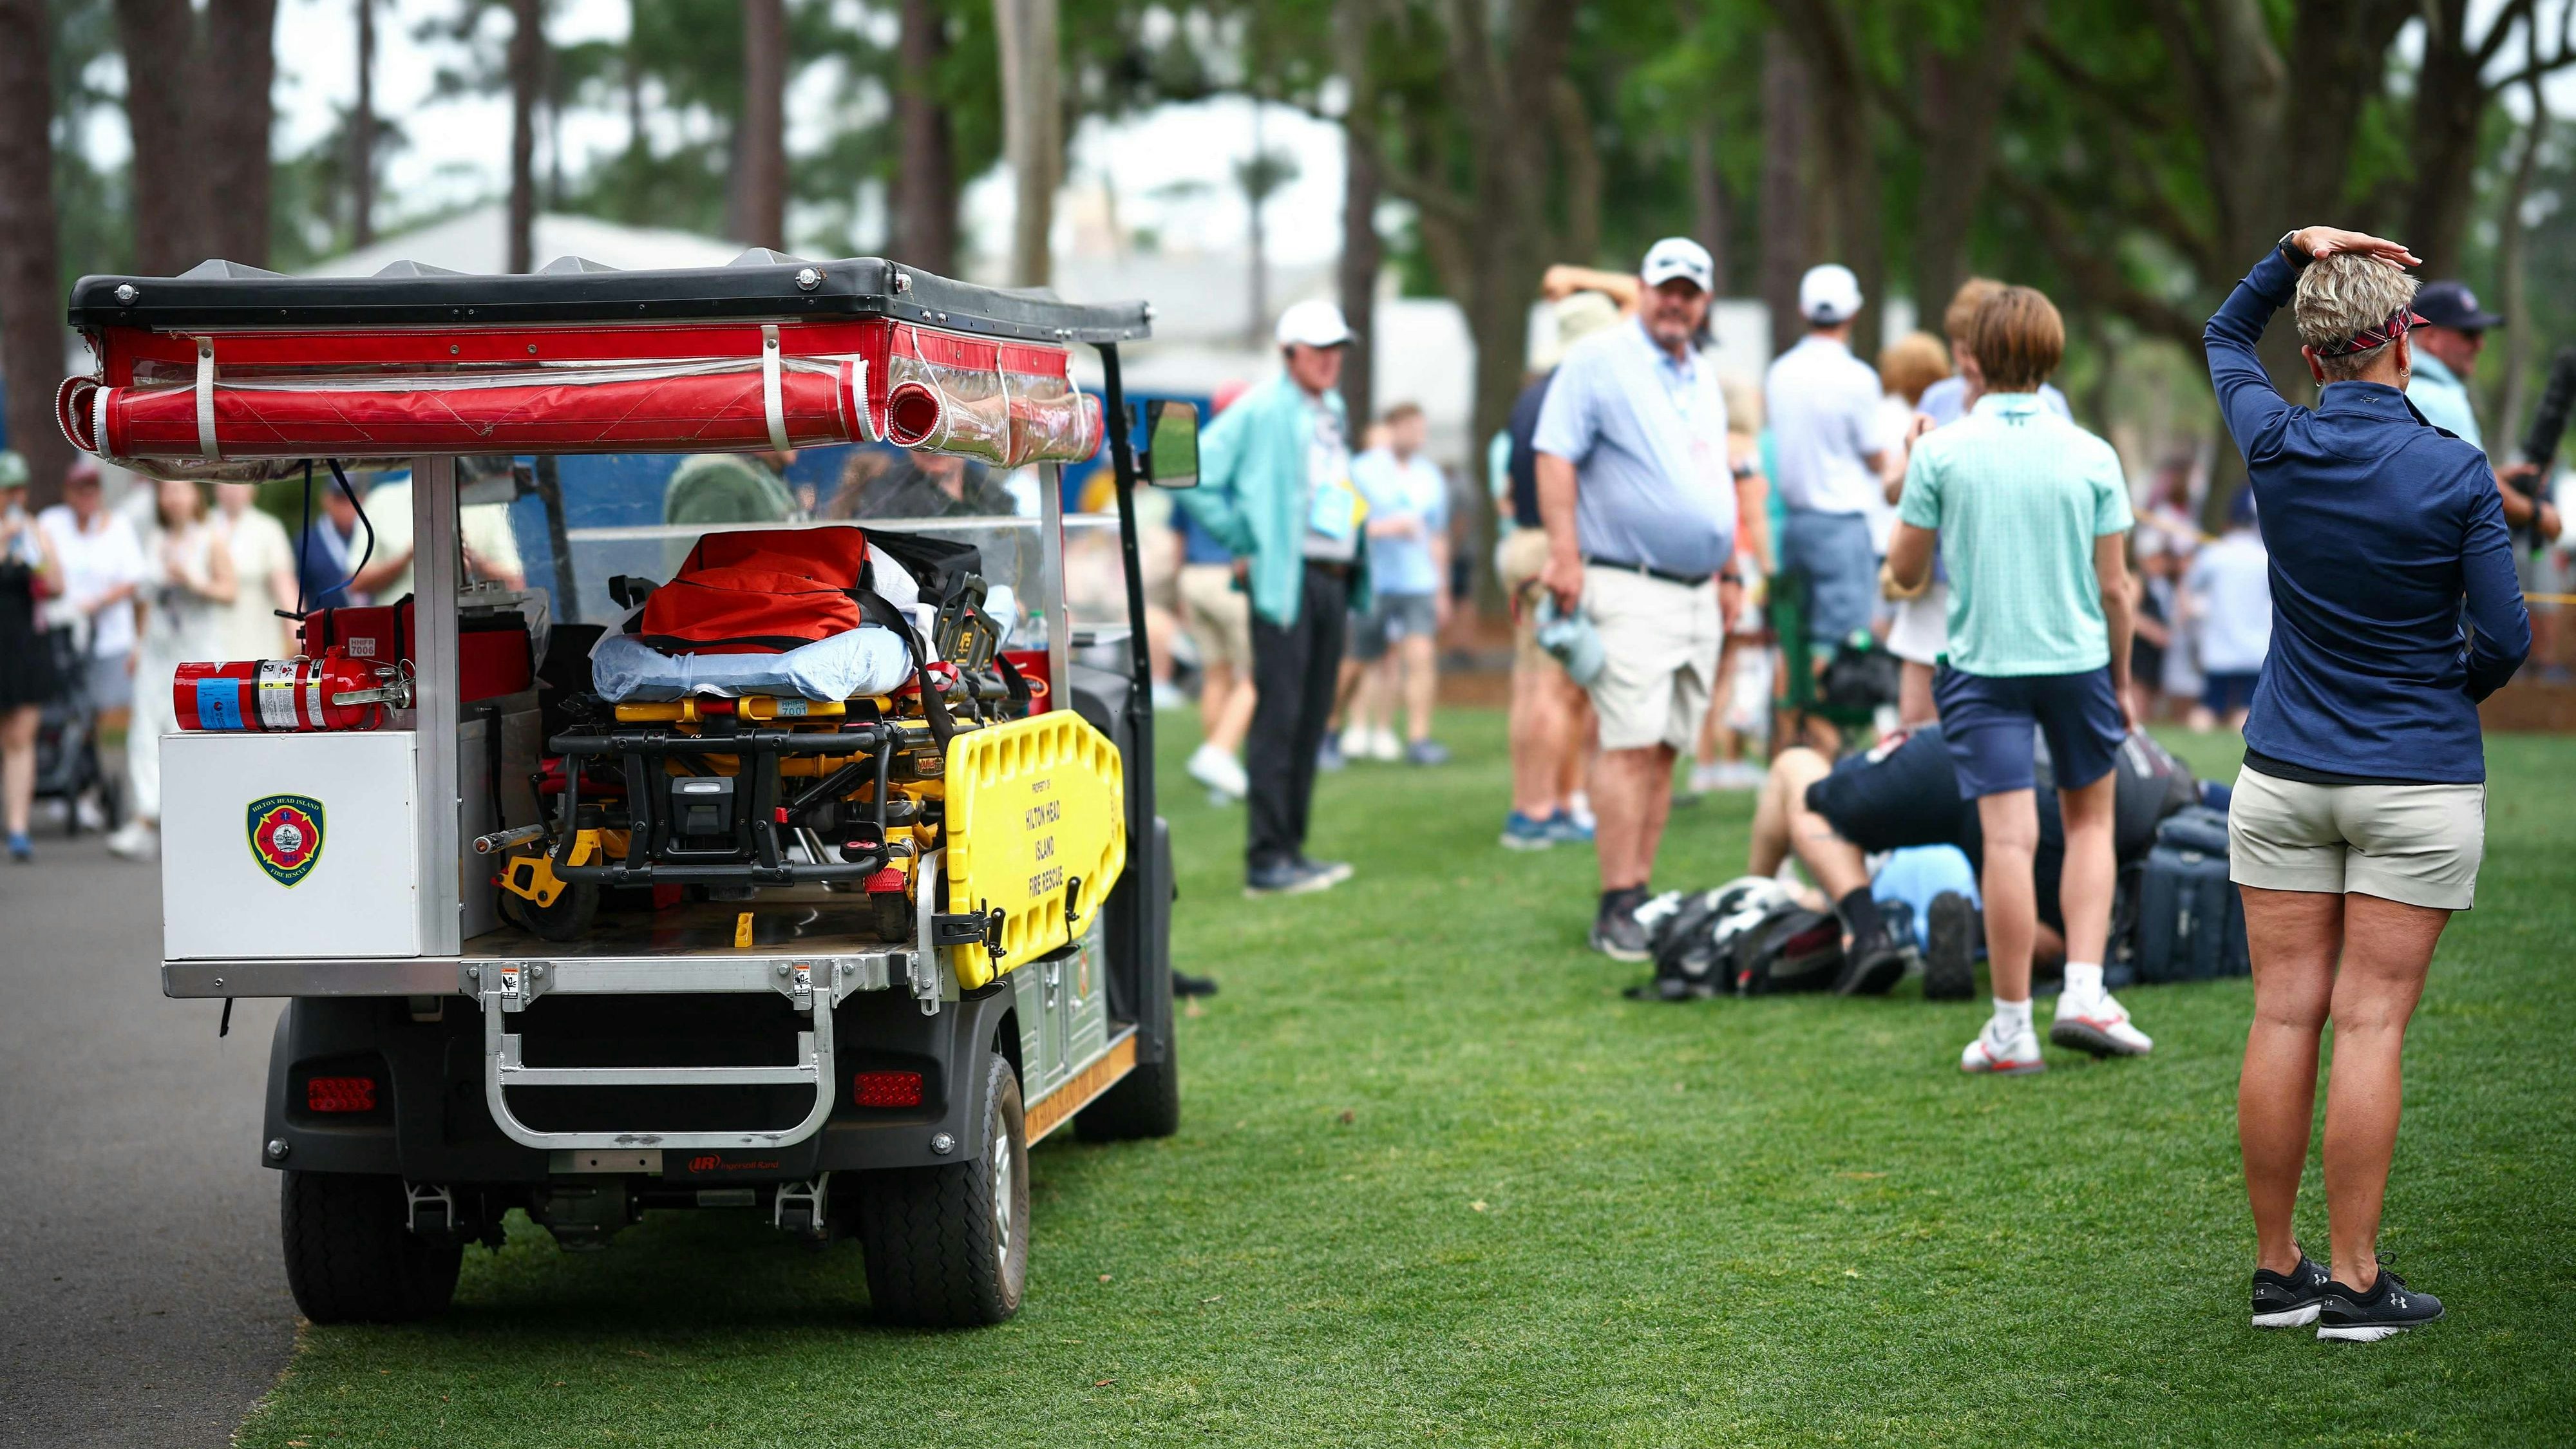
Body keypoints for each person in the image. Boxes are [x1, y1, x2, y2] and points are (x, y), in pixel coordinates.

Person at [2210, 227, 2527, 1340]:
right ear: (2402, 338)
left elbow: (2221, 334)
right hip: (2417, 777)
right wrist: (2446, 690)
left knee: (2283, 1012)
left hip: (2284, 771)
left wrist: (2289, 250)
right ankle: (2352, 1283)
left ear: (2314, 353)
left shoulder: (2277, 441)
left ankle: (2275, 1270)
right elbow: (2507, 637)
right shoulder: (2453, 467)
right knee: (2372, 1023)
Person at [1885, 283, 2150, 1072]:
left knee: (2006, 840)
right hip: (2076, 663)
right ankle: (2083, 990)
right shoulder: (2092, 452)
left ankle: (2010, 1028)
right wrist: (2124, 680)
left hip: (1982, 666)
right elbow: (2117, 591)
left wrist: (1912, 469)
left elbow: (1904, 573)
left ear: (1973, 357)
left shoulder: (1940, 449)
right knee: (2089, 826)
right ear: (2050, 352)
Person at [1532, 238, 1736, 958]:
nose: (1675, 301)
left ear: (1703, 301)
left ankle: (1639, 893)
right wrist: (1562, 553)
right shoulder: (1598, 360)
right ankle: (1615, 903)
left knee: (1665, 748)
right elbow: (1553, 452)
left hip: (1697, 591)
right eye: (1664, 288)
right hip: (1628, 578)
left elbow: (1717, 480)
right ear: (1642, 290)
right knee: (1625, 742)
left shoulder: (1702, 375)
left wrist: (1733, 571)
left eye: (1689, 291)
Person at [1750, 724, 2201, 999]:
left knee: (1800, 782)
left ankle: (1855, 930)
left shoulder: (1903, 760)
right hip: (2111, 794)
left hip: (1979, 762)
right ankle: (2013, 938)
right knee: (2061, 918)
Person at [1177, 299, 1367, 896]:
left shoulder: (1329, 408)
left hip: (1331, 578)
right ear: (1290, 355)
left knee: (1312, 718)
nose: (1331, 359)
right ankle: (1266, 860)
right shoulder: (1261, 407)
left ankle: (1291, 850)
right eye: (1320, 349)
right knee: (1280, 719)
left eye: (1338, 348)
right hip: (1286, 582)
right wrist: (1245, 538)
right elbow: (1194, 471)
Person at [1895, 280, 2077, 726]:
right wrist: (1915, 462)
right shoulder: (1939, 398)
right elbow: (1895, 494)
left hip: (2012, 584)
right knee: (1917, 722)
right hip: (1937, 579)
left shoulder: (2051, 408)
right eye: (1957, 348)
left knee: (1994, 722)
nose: (1964, 362)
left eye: (1972, 348)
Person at [1497, 291, 1618, 848]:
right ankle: (1546, 809)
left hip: (1521, 540)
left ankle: (1530, 805)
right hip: (1552, 546)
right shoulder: (1573, 392)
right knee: (1558, 686)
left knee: (1529, 683)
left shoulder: (1530, 395)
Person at [1765, 264, 1891, 670]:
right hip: (1843, 525)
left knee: (1794, 640)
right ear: (1852, 314)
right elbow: (1874, 458)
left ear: (1804, 311)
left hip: (1795, 524)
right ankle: (1827, 732)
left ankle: (1792, 729)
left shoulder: (1780, 372)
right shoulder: (1858, 379)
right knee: (1840, 644)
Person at [106, 477, 237, 862]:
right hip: (157, 648)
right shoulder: (153, 540)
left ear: (196, 494)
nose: (174, 498)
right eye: (167, 491)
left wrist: (195, 583)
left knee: (191, 729)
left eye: (181, 490)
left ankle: (196, 819)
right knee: (145, 730)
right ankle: (146, 817)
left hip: (196, 650)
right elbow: (143, 601)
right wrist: (137, 642)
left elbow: (229, 591)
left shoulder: (210, 538)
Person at [1342, 403, 1451, 766]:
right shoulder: (1362, 471)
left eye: (1422, 429)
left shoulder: (1430, 476)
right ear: (1393, 429)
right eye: (1411, 428)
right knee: (1358, 661)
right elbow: (1343, 526)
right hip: (1374, 580)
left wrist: (1442, 587)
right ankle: (1331, 728)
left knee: (1420, 657)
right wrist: (1389, 527)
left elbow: (1438, 534)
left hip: (1419, 581)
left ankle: (1419, 738)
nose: (1418, 436)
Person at [1687, 374, 1777, 794]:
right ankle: (1732, 758)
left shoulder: (1700, 446)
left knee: (1709, 665)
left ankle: (1703, 760)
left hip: (1703, 562)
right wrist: (1769, 565)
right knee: (1740, 664)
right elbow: (1755, 515)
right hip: (1739, 564)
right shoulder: (1745, 451)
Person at [36, 459, 146, 723]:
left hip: (109, 635)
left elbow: (133, 579)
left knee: (105, 706)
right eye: (80, 490)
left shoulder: (118, 524)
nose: (87, 496)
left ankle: (99, 761)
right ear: (67, 492)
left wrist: (97, 602)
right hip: (63, 634)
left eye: (92, 489)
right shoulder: (51, 522)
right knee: (65, 707)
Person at [0, 453, 65, 862]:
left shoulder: (34, 531)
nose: (14, 497)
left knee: (21, 738)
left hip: (24, 645)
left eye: (19, 490)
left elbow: (57, 585)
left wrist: (38, 546)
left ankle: (18, 827)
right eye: (8, 490)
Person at [365, 467, 527, 601]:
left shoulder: (487, 507)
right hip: (401, 629)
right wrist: (409, 555)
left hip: (468, 627)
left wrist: (472, 559)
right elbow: (357, 583)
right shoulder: (382, 501)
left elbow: (515, 583)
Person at [2183, 493, 2271, 733]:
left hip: (2218, 647)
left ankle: (2196, 753)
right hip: (2255, 648)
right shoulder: (2265, 557)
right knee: (2246, 709)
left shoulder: (2214, 554)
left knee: (2208, 706)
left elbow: (2188, 592)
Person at [213, 483, 298, 660]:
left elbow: (285, 587)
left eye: (238, 485)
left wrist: (299, 635)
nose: (232, 491)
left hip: (255, 638)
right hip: (210, 639)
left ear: (252, 490)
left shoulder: (268, 528)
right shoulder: (204, 524)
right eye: (226, 484)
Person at [295, 477, 370, 611]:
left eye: (351, 500)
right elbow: (297, 591)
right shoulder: (307, 542)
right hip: (325, 626)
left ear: (361, 500)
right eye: (340, 500)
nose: (346, 507)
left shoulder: (371, 538)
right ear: (326, 500)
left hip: (371, 623)